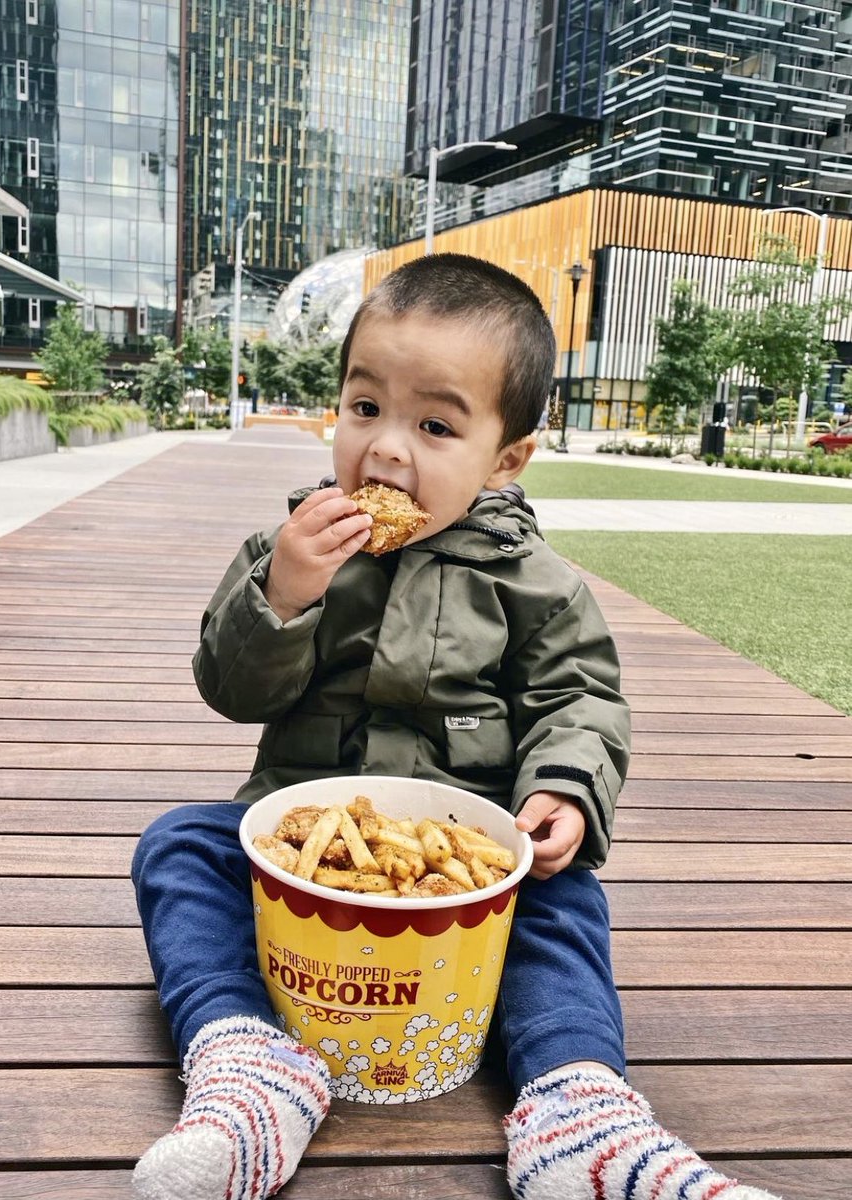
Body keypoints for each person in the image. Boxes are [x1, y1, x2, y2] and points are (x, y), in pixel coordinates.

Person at [131, 254, 780, 1200]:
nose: (387, 450)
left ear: (506, 457)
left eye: (434, 425)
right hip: (301, 847)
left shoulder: (538, 587)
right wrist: (281, 595)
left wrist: (561, 788)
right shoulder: (295, 551)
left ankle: (575, 1110)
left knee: (565, 905)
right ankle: (248, 1062)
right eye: (365, 409)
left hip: (467, 861)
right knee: (181, 847)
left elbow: (580, 701)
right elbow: (230, 690)